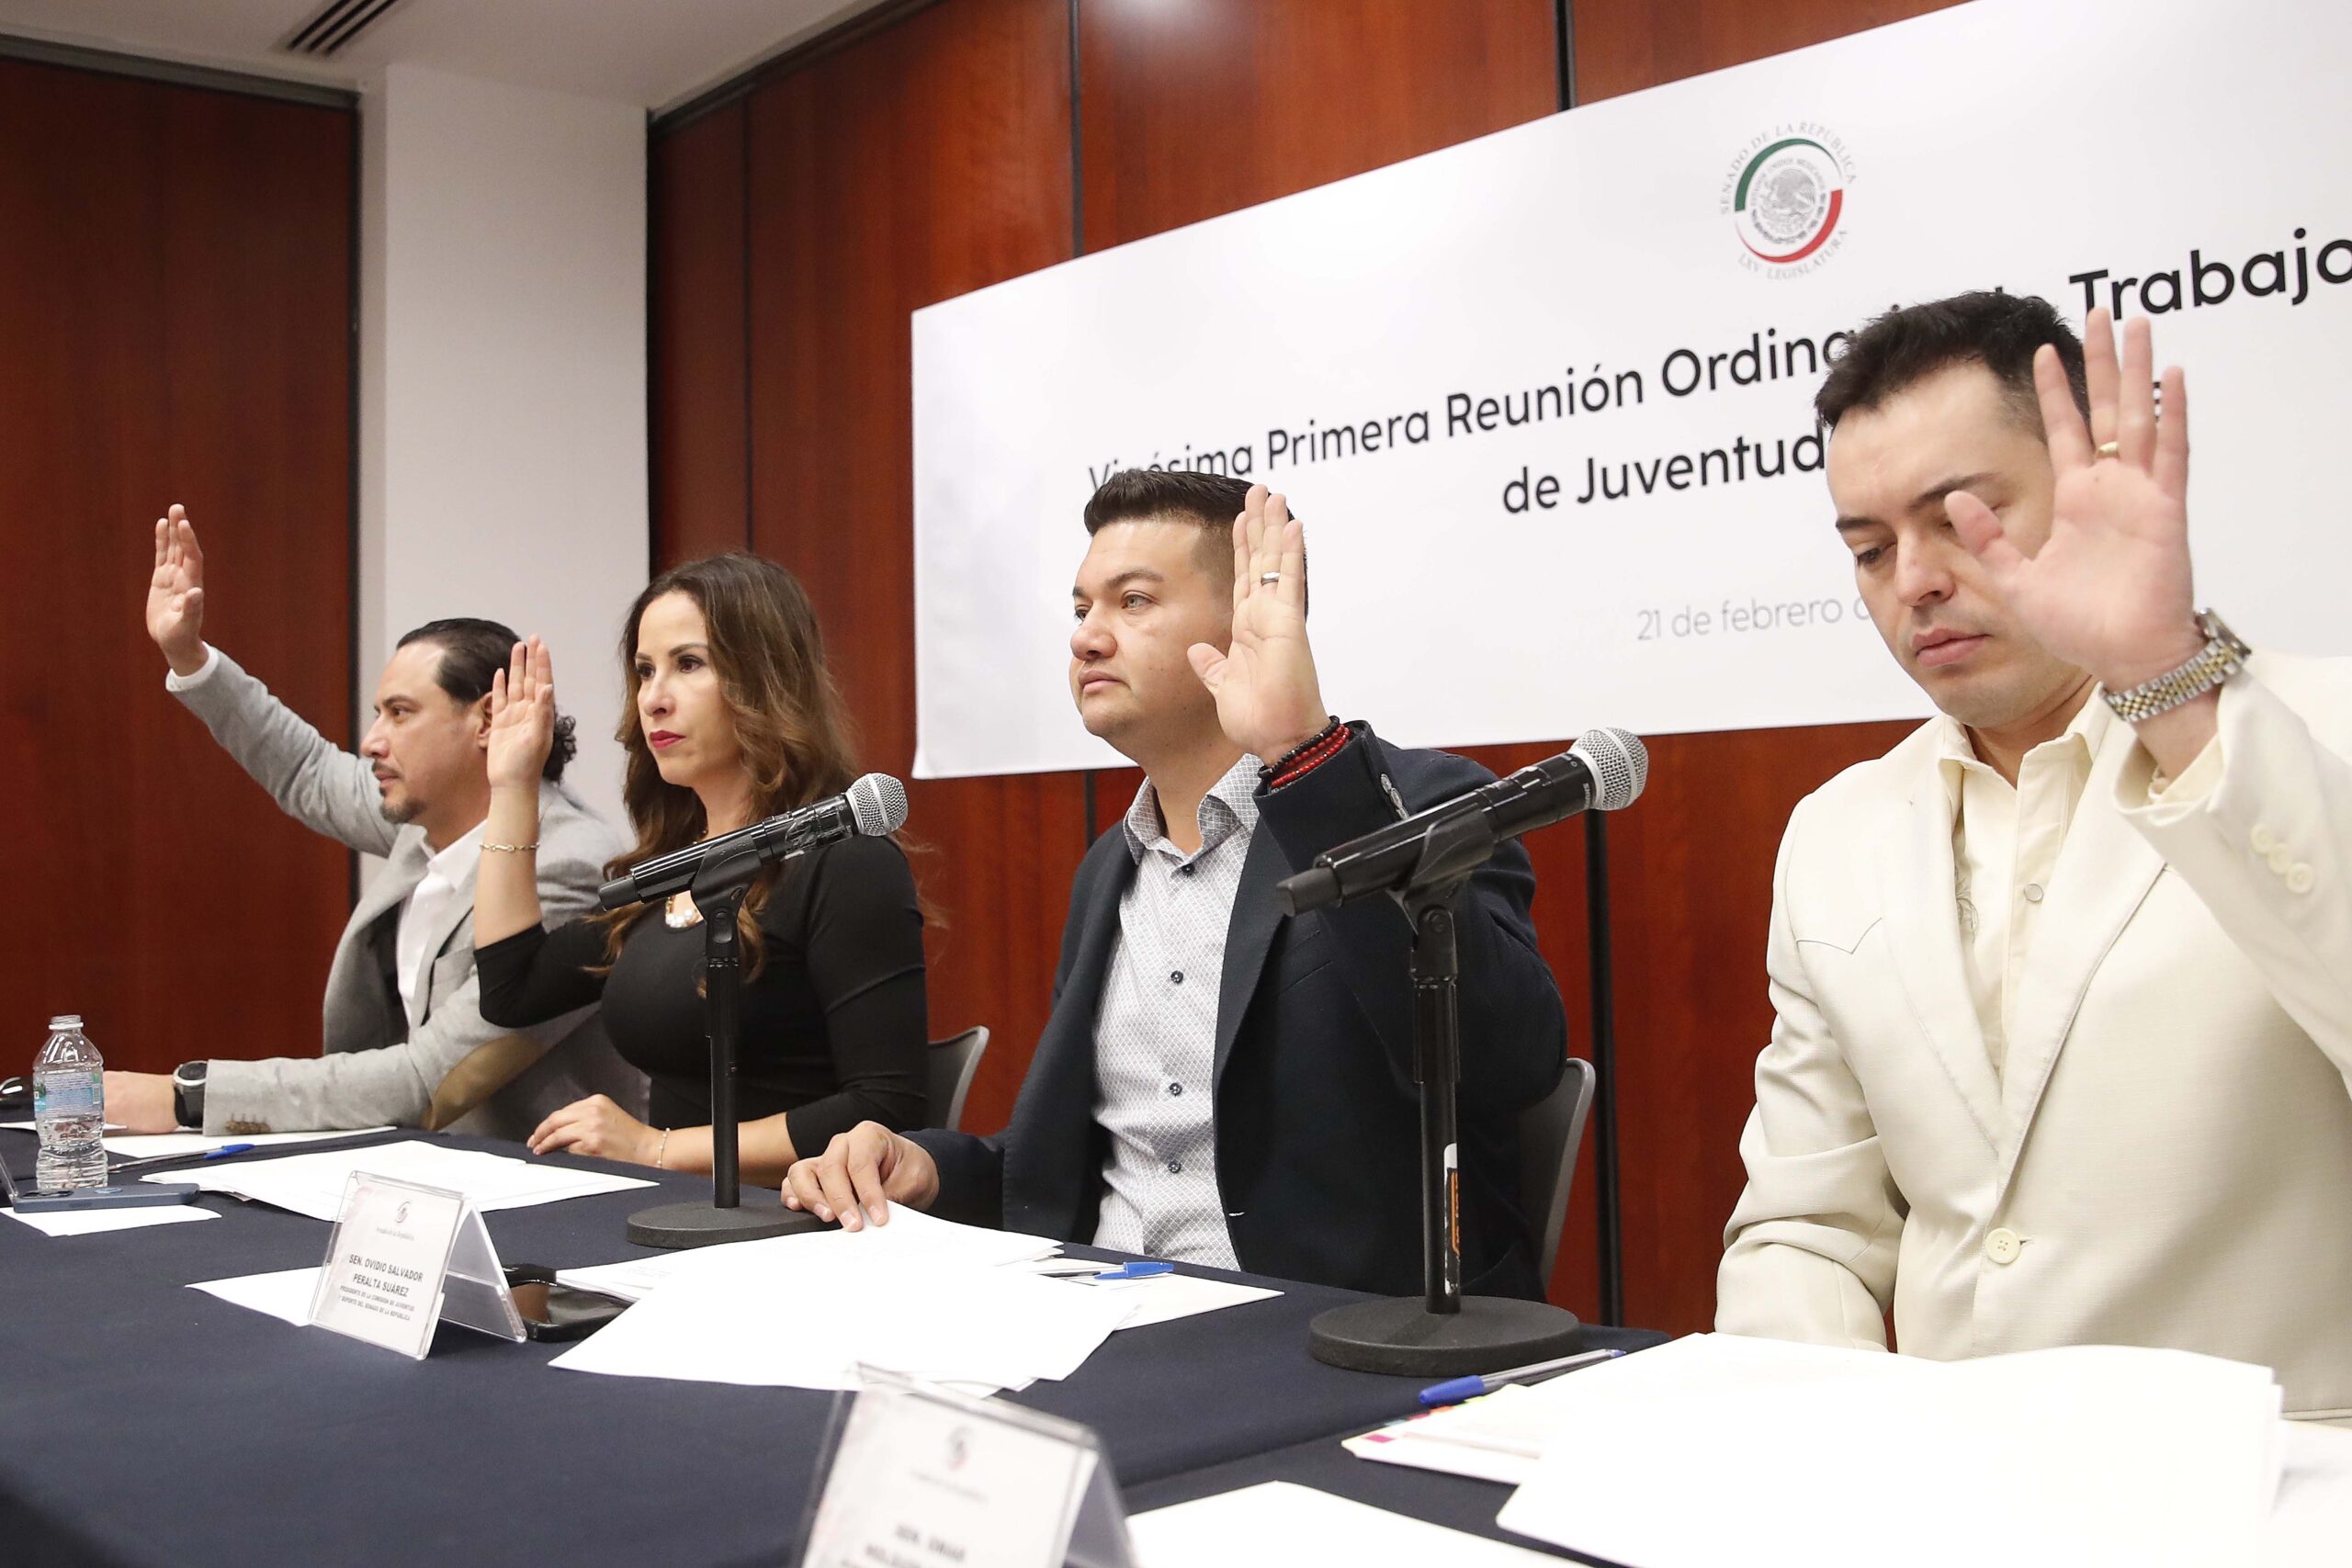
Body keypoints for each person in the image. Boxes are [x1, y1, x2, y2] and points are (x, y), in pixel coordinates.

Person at [1717, 294, 2352, 1420]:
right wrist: (1818, 1450)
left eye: (1960, 518)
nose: (1913, 580)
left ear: (2088, 474)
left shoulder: (2317, 732)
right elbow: (1806, 1226)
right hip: (1950, 1480)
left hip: (2273, 1475)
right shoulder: (1836, 832)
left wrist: (2167, 680)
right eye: (1870, 550)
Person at [785, 473, 1568, 1299]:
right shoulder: (1107, 870)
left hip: (1314, 1326)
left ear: (1244, 623)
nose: (1087, 637)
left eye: (1133, 601)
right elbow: (1062, 1166)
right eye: (1081, 608)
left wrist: (1307, 759)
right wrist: (924, 1163)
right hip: (1091, 1309)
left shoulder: (1413, 804)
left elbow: (1509, 1060)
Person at [108, 505, 630, 1138]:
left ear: (488, 720)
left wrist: (185, 1096)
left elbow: (425, 1080)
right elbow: (304, 767)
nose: (372, 741)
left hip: (541, 1182)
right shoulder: (425, 817)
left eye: (400, 713)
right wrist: (188, 655)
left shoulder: (569, 864)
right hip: (419, 1164)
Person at [472, 554, 928, 1183]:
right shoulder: (673, 868)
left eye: (689, 664)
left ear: (763, 678)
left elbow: (886, 1108)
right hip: (669, 1207)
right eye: (644, 671)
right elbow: (511, 989)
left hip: (798, 1215)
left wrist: (655, 1149)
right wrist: (513, 785)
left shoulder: (846, 860)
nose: (654, 699)